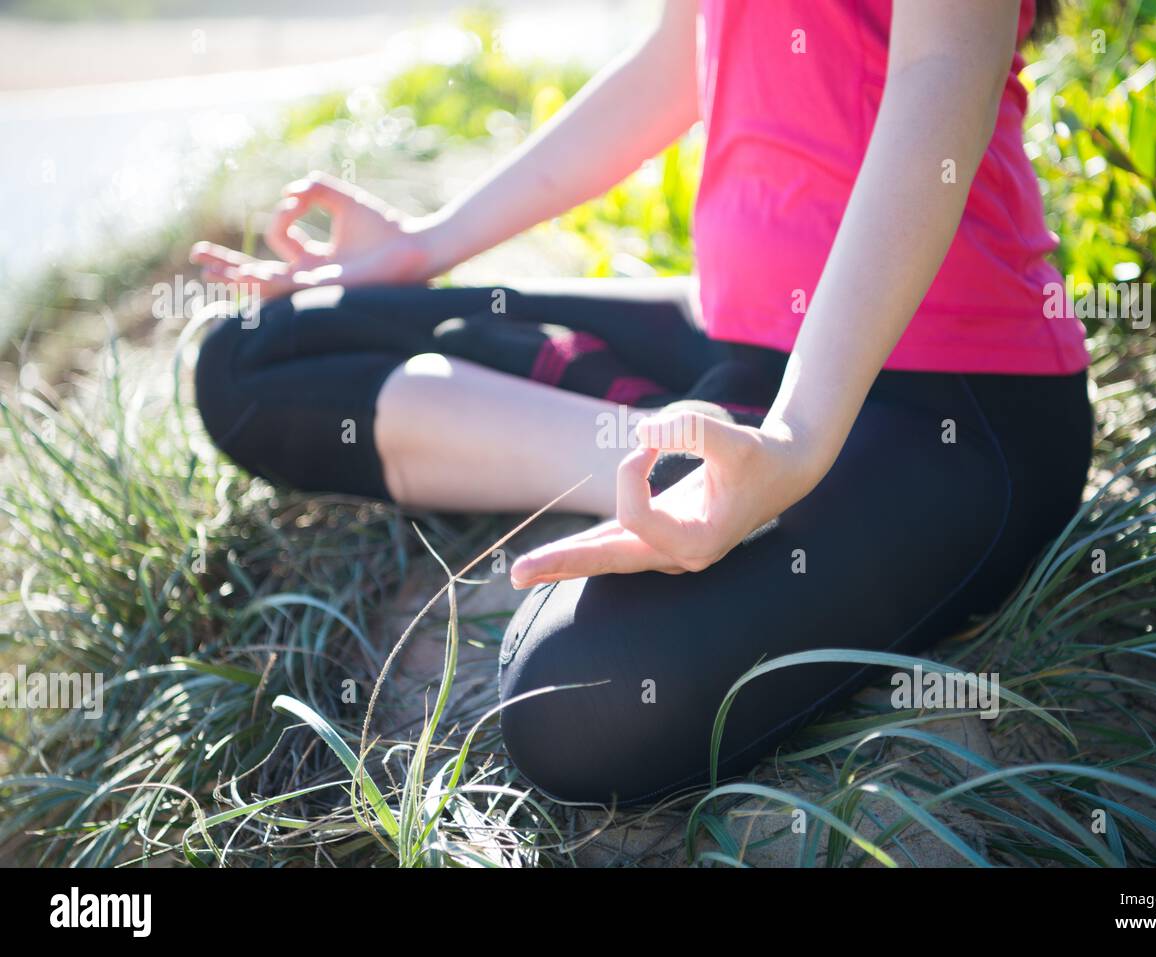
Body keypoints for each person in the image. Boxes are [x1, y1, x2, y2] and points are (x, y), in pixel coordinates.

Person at [191, 0, 1092, 805]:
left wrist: (798, 437)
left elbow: (945, 72)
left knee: (573, 700)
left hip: (944, 394)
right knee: (257, 355)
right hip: (734, 340)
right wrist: (425, 245)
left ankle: (724, 465)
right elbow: (681, 53)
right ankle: (675, 459)